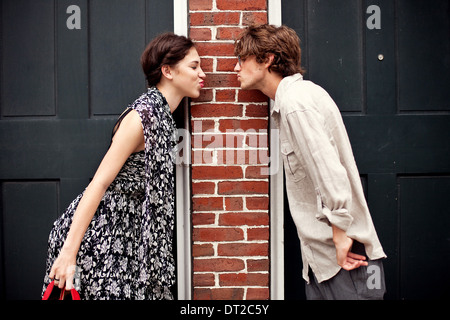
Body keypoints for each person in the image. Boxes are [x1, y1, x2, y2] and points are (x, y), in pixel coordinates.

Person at [42, 32, 206, 300]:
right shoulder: (142, 117)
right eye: (194, 66)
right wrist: (69, 252)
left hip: (130, 241)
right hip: (102, 240)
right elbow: (100, 183)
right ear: (168, 71)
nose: (202, 75)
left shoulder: (164, 118)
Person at [234, 24, 387, 300]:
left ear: (267, 59)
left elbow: (330, 172)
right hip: (324, 261)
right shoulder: (295, 99)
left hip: (343, 260)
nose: (236, 68)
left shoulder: (296, 102)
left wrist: (340, 236)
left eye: (242, 59)